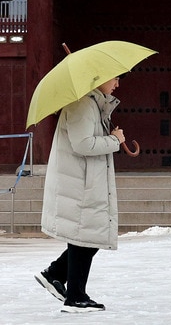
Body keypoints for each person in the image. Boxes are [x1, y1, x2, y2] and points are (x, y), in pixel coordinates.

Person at [36, 74, 125, 313]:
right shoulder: (83, 105)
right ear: (100, 78)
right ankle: (74, 295)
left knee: (88, 236)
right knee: (85, 237)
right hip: (80, 182)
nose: (117, 84)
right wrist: (114, 140)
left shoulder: (92, 105)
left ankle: (56, 275)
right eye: (115, 78)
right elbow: (83, 144)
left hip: (86, 180)